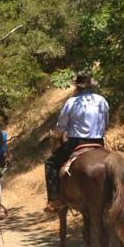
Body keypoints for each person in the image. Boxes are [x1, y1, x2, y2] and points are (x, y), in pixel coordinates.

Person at [44, 73, 109, 212]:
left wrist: (59, 134)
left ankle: (55, 199)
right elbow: (106, 123)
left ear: (77, 87)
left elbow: (61, 127)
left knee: (50, 163)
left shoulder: (72, 102)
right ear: (91, 85)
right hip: (99, 142)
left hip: (77, 142)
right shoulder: (102, 100)